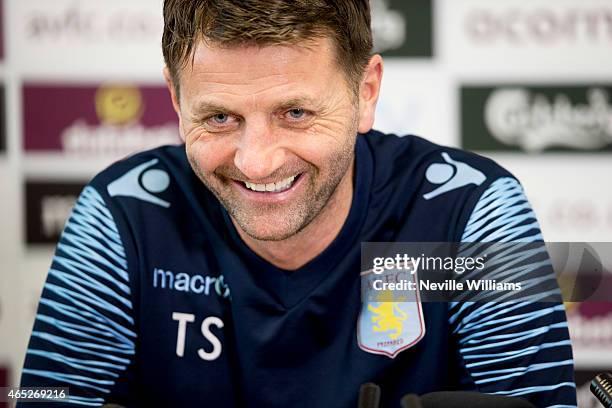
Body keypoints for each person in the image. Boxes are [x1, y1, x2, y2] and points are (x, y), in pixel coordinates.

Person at [18, 1, 577, 407]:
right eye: (219, 118)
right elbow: (44, 397)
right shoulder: (122, 212)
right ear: (175, 98)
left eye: (296, 113)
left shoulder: (472, 208)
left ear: (366, 93)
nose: (256, 162)